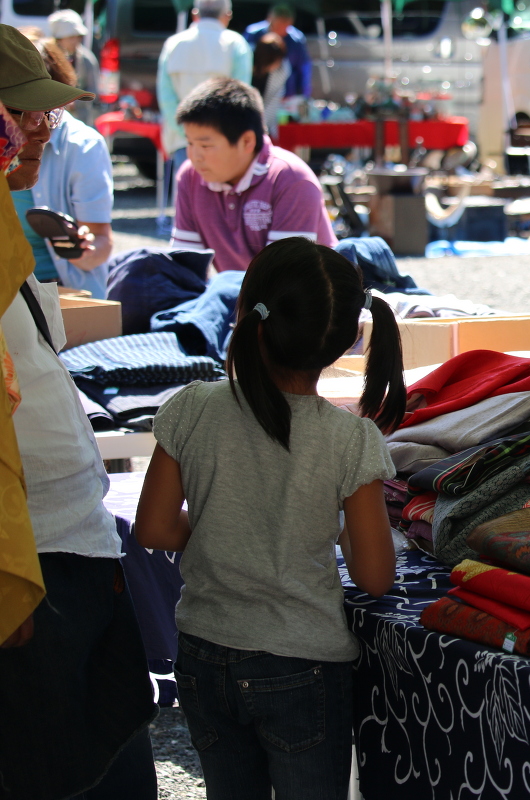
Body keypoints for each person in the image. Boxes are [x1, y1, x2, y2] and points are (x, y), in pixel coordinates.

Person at [135, 237, 405, 798]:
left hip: (204, 652)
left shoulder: (191, 407)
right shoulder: (348, 438)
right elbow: (376, 577)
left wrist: (218, 532)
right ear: (348, 338)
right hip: (302, 663)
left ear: (245, 311)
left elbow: (155, 529)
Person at [0, 23, 157, 800]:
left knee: (114, 760)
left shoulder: (12, 227)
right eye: (21, 109)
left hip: (77, 545)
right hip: (34, 563)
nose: (38, 127)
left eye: (46, 112)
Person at [169, 77, 337, 271]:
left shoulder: (291, 179)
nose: (195, 156)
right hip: (242, 297)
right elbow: (185, 267)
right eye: (190, 143)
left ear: (247, 141)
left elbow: (283, 276)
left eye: (205, 145)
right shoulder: (190, 177)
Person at [14, 31, 113, 297]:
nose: (45, 130)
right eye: (32, 113)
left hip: (60, 288)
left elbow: (101, 242)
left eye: (53, 112)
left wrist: (81, 248)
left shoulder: (84, 145)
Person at [157, 0, 252, 179]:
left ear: (195, 14)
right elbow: (240, 99)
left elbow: (165, 96)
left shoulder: (173, 44)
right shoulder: (236, 44)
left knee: (186, 200)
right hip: (223, 142)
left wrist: (187, 133)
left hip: (182, 141)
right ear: (227, 16)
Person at [244, 4, 312, 101]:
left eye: (286, 26)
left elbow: (304, 69)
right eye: (279, 26)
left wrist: (303, 96)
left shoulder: (296, 40)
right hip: (254, 88)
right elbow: (244, 63)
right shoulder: (253, 34)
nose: (282, 31)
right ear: (269, 19)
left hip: (284, 94)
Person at [45, 9, 98, 127]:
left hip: (80, 119)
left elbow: (93, 90)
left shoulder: (86, 60)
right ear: (59, 39)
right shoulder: (47, 59)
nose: (76, 41)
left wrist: (76, 102)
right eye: (71, 37)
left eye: (78, 37)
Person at [251, 32, 291, 138]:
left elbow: (273, 103)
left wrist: (261, 128)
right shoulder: (246, 63)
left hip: (263, 124)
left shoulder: (282, 70)